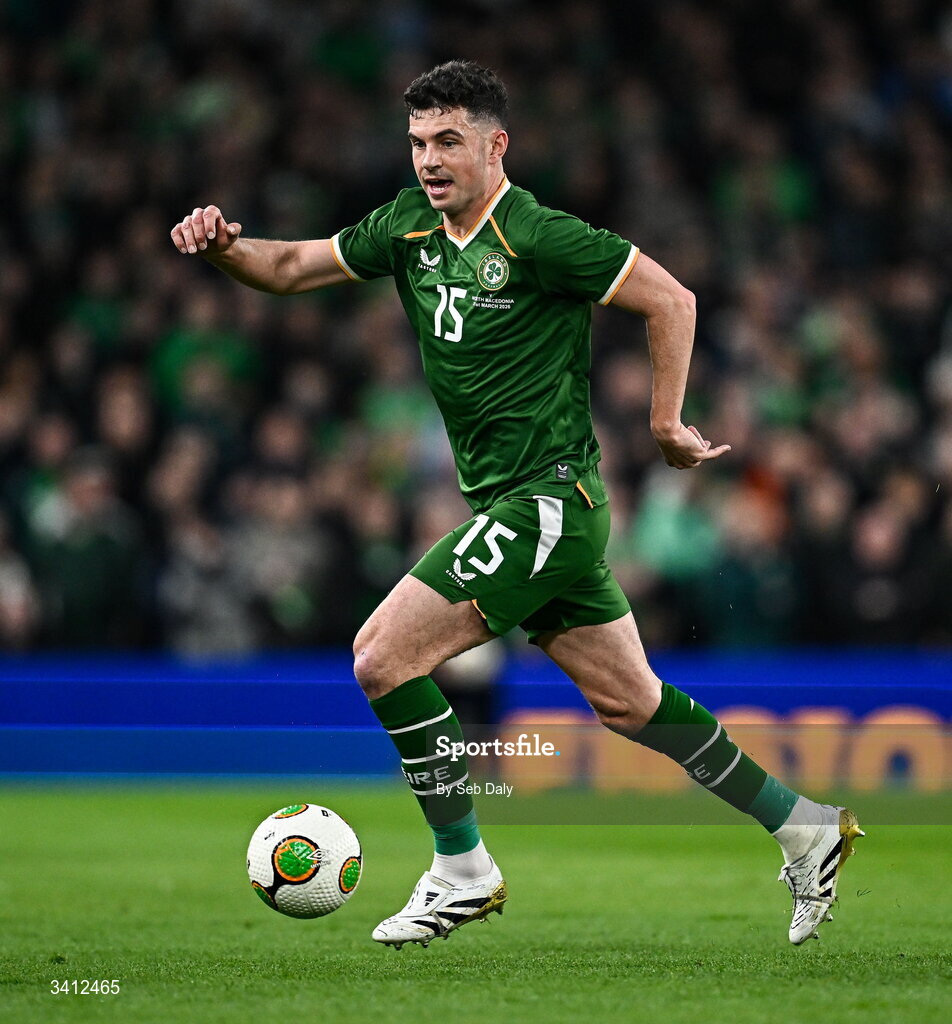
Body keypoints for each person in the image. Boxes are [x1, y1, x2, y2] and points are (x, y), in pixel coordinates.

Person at [171, 60, 863, 948]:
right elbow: (293, 266)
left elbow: (671, 299)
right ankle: (803, 826)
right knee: (631, 703)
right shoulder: (409, 226)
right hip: (517, 508)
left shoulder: (538, 235)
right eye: (418, 140)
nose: (428, 158)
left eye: (448, 140)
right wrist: (227, 245)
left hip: (548, 505)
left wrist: (664, 419)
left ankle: (463, 869)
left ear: (496, 146)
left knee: (382, 657)